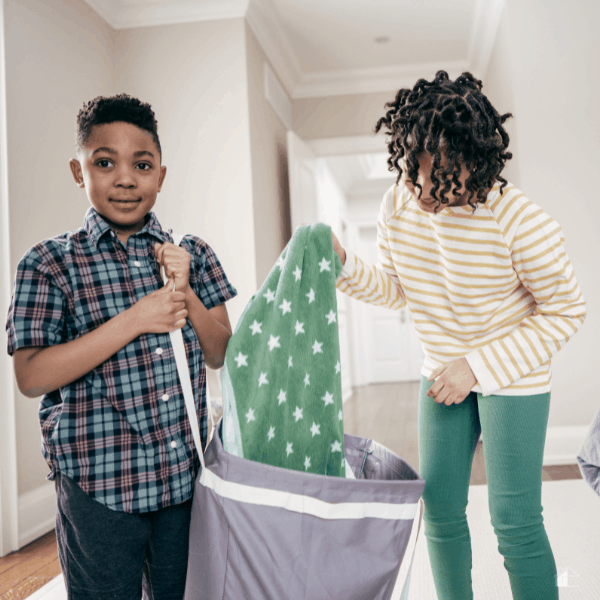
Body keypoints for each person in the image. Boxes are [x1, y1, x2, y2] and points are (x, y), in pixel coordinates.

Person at [331, 71, 586, 600]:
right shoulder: (398, 205)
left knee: (514, 519)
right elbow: (397, 289)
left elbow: (566, 310)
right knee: (442, 510)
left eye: (442, 176)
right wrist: (342, 266)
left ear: (479, 163)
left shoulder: (519, 220)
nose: (424, 191)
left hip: (512, 375)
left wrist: (477, 367)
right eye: (414, 173)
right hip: (442, 371)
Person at [6, 94, 237, 600]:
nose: (125, 178)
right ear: (78, 169)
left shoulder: (192, 253)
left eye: (142, 164)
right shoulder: (49, 263)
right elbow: (31, 376)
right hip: (98, 489)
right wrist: (135, 319)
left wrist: (186, 294)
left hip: (183, 484)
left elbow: (221, 353)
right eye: (104, 162)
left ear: (161, 175)